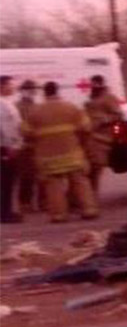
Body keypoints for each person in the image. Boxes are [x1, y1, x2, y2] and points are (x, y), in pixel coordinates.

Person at [21, 81, 99, 223]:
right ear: (58, 91)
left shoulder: (35, 112)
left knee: (53, 186)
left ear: (45, 93)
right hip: (72, 154)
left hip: (48, 157)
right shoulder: (71, 108)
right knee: (80, 182)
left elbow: (25, 132)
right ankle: (89, 210)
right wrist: (80, 143)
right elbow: (86, 127)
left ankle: (59, 215)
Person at [84, 74, 123, 195]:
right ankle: (87, 197)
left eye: (95, 83)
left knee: (96, 168)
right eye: (92, 84)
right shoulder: (92, 99)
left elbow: (118, 115)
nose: (93, 86)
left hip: (103, 139)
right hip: (90, 138)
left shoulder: (108, 98)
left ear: (101, 84)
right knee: (88, 170)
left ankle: (92, 198)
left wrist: (103, 120)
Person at [0, 76, 24, 223]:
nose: (13, 87)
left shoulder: (6, 103)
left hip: (4, 146)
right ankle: (5, 213)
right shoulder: (2, 105)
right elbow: (7, 128)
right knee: (6, 182)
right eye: (10, 85)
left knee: (6, 182)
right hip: (4, 148)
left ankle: (5, 211)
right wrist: (12, 146)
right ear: (2, 86)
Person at [15, 79, 40, 213]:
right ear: (23, 91)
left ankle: (39, 202)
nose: (32, 92)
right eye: (30, 89)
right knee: (26, 176)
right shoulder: (18, 106)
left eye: (33, 89)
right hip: (24, 145)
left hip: (36, 145)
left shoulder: (36, 106)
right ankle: (24, 203)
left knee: (38, 176)